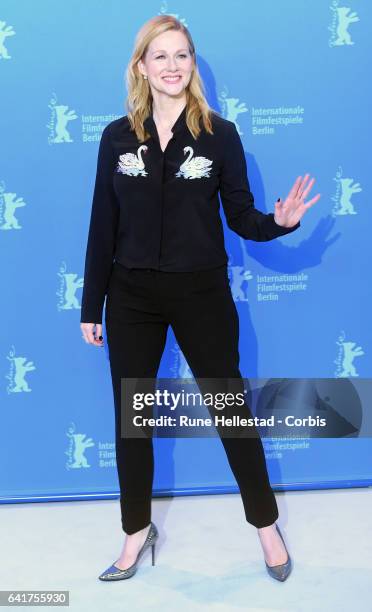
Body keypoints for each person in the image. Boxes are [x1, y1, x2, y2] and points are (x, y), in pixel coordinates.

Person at [80, 15, 321, 583]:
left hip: (201, 293)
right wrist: (93, 305)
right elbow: (101, 224)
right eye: (159, 56)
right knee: (131, 422)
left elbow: (240, 216)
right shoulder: (117, 136)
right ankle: (136, 531)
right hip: (131, 295)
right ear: (141, 66)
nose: (172, 66)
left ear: (193, 64)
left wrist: (278, 223)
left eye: (182, 55)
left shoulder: (220, 134)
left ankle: (266, 525)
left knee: (231, 410)